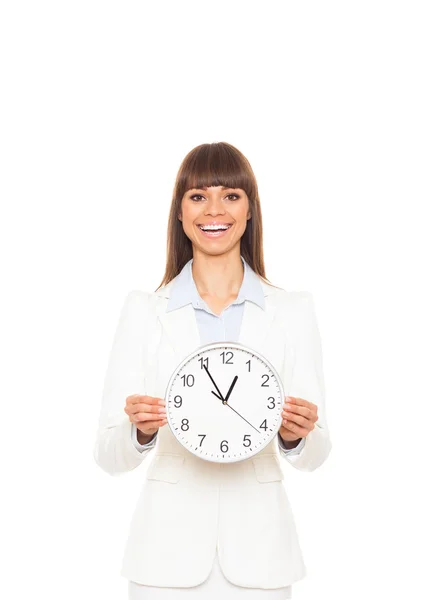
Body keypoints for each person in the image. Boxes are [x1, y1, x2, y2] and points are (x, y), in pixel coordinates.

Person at [93, 141, 332, 599]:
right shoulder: (145, 311)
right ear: (180, 213)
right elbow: (107, 454)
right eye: (198, 196)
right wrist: (138, 432)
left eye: (231, 195)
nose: (214, 210)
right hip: (164, 557)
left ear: (249, 211)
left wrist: (297, 435)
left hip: (261, 556)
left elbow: (319, 452)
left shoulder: (293, 310)